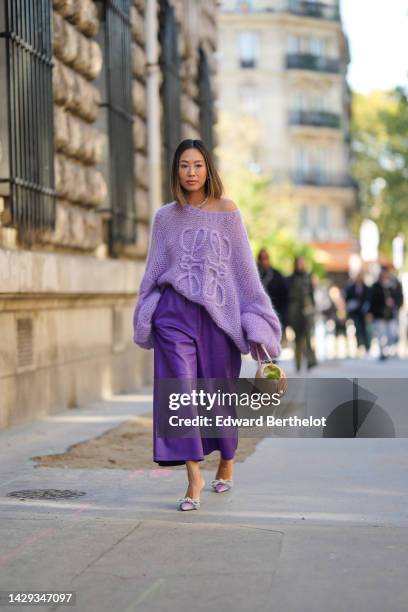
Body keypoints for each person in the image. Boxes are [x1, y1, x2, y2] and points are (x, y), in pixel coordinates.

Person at [132, 139, 282, 511]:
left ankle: (227, 460)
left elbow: (245, 274)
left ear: (208, 169)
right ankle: (193, 476)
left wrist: (258, 325)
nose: (191, 172)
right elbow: (153, 270)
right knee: (177, 392)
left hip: (218, 319)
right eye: (184, 165)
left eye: (197, 165)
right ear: (176, 171)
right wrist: (147, 308)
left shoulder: (228, 212)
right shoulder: (164, 218)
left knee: (216, 398)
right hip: (174, 316)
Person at [286, 255, 317, 371]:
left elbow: (312, 295)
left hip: (307, 310)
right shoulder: (290, 279)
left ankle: (311, 361)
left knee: (309, 336)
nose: (301, 265)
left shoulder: (308, 277)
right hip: (295, 312)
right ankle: (298, 363)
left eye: (302, 263)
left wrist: (312, 307)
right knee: (298, 338)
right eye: (299, 263)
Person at [369, 266, 403, 360]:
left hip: (391, 314)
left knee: (392, 333)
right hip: (379, 314)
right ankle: (382, 352)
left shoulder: (393, 285)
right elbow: (372, 300)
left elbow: (399, 298)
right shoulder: (376, 286)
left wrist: (395, 304)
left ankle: (389, 350)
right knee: (381, 334)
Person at [256, 248, 288, 330]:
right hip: (260, 315)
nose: (264, 261)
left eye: (266, 258)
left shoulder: (277, 275)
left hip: (275, 313)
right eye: (262, 258)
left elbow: (284, 296)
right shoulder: (254, 275)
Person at [344, 272, 371, 354]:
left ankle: (367, 346)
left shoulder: (366, 288)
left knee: (365, 329)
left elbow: (369, 299)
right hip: (354, 312)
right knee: (357, 328)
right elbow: (347, 299)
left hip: (363, 312)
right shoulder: (351, 288)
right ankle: (359, 345)